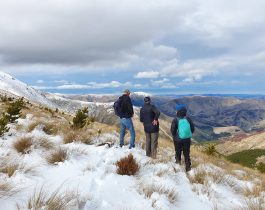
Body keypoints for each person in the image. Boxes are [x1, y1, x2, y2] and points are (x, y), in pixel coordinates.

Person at [170, 104, 195, 172]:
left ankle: (178, 164)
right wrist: (188, 135)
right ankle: (188, 167)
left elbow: (173, 130)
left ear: (178, 111)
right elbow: (192, 128)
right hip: (187, 139)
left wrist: (175, 136)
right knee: (186, 153)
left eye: (176, 110)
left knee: (178, 151)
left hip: (177, 139)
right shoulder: (188, 118)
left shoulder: (175, 120)